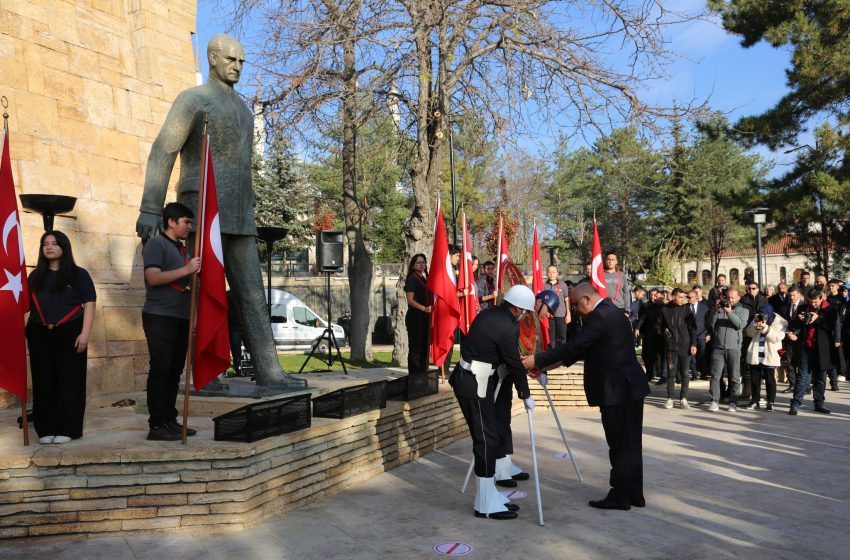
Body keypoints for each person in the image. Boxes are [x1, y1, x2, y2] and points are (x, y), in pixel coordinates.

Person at [135, 34, 299, 388]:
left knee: (252, 292)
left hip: (239, 211)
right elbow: (164, 150)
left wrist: (251, 201)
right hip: (201, 209)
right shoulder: (193, 100)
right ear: (212, 58)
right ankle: (204, 373)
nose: (237, 66)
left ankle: (270, 371)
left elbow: (244, 166)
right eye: (230, 60)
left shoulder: (243, 110)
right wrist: (151, 208)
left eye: (242, 61)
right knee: (201, 289)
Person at [522, 283, 650, 511]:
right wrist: (546, 367)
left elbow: (574, 345)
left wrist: (536, 360)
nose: (575, 310)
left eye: (575, 305)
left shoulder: (601, 316)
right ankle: (633, 493)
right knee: (630, 444)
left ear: (587, 300)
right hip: (628, 388)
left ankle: (620, 496)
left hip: (618, 390)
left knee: (619, 445)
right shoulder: (611, 312)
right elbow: (581, 350)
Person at [450, 285, 536, 520]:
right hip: (473, 383)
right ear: (517, 307)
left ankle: (489, 493)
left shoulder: (489, 313)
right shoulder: (507, 327)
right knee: (486, 441)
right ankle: (484, 504)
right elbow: (513, 363)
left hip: (477, 381)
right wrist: (525, 394)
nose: (525, 315)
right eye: (525, 311)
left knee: (490, 437)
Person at [26, 231, 96, 444]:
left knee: (70, 380)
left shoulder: (78, 274)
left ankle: (69, 427)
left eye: (55, 244)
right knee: (43, 380)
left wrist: (85, 334)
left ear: (64, 248)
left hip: (70, 330)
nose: (49, 247)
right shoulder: (34, 276)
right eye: (45, 244)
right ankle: (46, 428)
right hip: (39, 331)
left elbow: (90, 304)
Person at [142, 203, 202, 441]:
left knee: (174, 371)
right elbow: (153, 277)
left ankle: (169, 419)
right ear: (171, 222)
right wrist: (187, 269)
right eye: (186, 222)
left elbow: (189, 288)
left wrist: (194, 314)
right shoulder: (157, 244)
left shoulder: (181, 248)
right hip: (160, 316)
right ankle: (156, 425)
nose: (190, 226)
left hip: (180, 316)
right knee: (161, 369)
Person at [788, 289, 841, 415]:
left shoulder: (830, 309)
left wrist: (817, 319)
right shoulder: (803, 307)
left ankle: (819, 403)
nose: (813, 305)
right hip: (806, 347)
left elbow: (832, 325)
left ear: (821, 298)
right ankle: (795, 404)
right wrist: (799, 320)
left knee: (820, 378)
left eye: (816, 302)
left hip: (822, 349)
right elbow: (793, 324)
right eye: (811, 302)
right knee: (802, 377)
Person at [707, 288, 748, 412]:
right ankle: (714, 401)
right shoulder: (719, 310)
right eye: (728, 297)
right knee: (715, 376)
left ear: (738, 298)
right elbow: (711, 325)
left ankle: (733, 402)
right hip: (718, 348)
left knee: (734, 377)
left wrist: (729, 312)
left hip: (734, 348)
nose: (730, 300)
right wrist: (715, 310)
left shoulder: (743, 311)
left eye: (732, 298)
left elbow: (740, 325)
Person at [744, 304, 787, 411]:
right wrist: (755, 325)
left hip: (770, 354)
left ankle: (770, 402)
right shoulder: (756, 318)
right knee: (755, 380)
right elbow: (749, 333)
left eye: (765, 314)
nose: (763, 316)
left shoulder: (781, 321)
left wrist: (765, 327)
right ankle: (754, 401)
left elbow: (777, 338)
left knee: (770, 380)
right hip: (756, 353)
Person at [660, 289, 697, 409]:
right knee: (671, 373)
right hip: (671, 347)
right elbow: (658, 326)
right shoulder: (664, 309)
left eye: (684, 297)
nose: (683, 299)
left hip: (685, 346)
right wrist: (664, 332)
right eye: (680, 297)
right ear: (673, 297)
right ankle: (670, 398)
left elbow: (693, 329)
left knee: (685, 374)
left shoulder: (687, 310)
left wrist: (693, 344)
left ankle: (683, 399)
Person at [404, 253, 432, 374]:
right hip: (415, 318)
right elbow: (410, 300)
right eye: (418, 262)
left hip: (425, 318)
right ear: (413, 265)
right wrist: (424, 309)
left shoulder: (425, 279)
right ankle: (414, 377)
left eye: (423, 262)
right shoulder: (412, 278)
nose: (421, 265)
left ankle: (422, 374)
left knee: (424, 349)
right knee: (416, 349)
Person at [544, 265, 570, 348]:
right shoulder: (544, 286)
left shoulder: (563, 285)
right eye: (549, 272)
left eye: (553, 272)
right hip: (548, 316)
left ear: (557, 273)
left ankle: (560, 358)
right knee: (551, 339)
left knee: (561, 338)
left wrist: (568, 314)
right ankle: (551, 357)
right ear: (546, 273)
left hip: (561, 315)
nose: (551, 274)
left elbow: (566, 300)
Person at [687, 290, 710, 380]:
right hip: (689, 336)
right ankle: (694, 374)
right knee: (691, 355)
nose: (687, 299)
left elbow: (708, 322)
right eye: (687, 297)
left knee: (702, 354)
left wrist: (708, 333)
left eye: (690, 297)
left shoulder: (704, 307)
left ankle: (703, 373)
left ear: (696, 297)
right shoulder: (685, 307)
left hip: (701, 334)